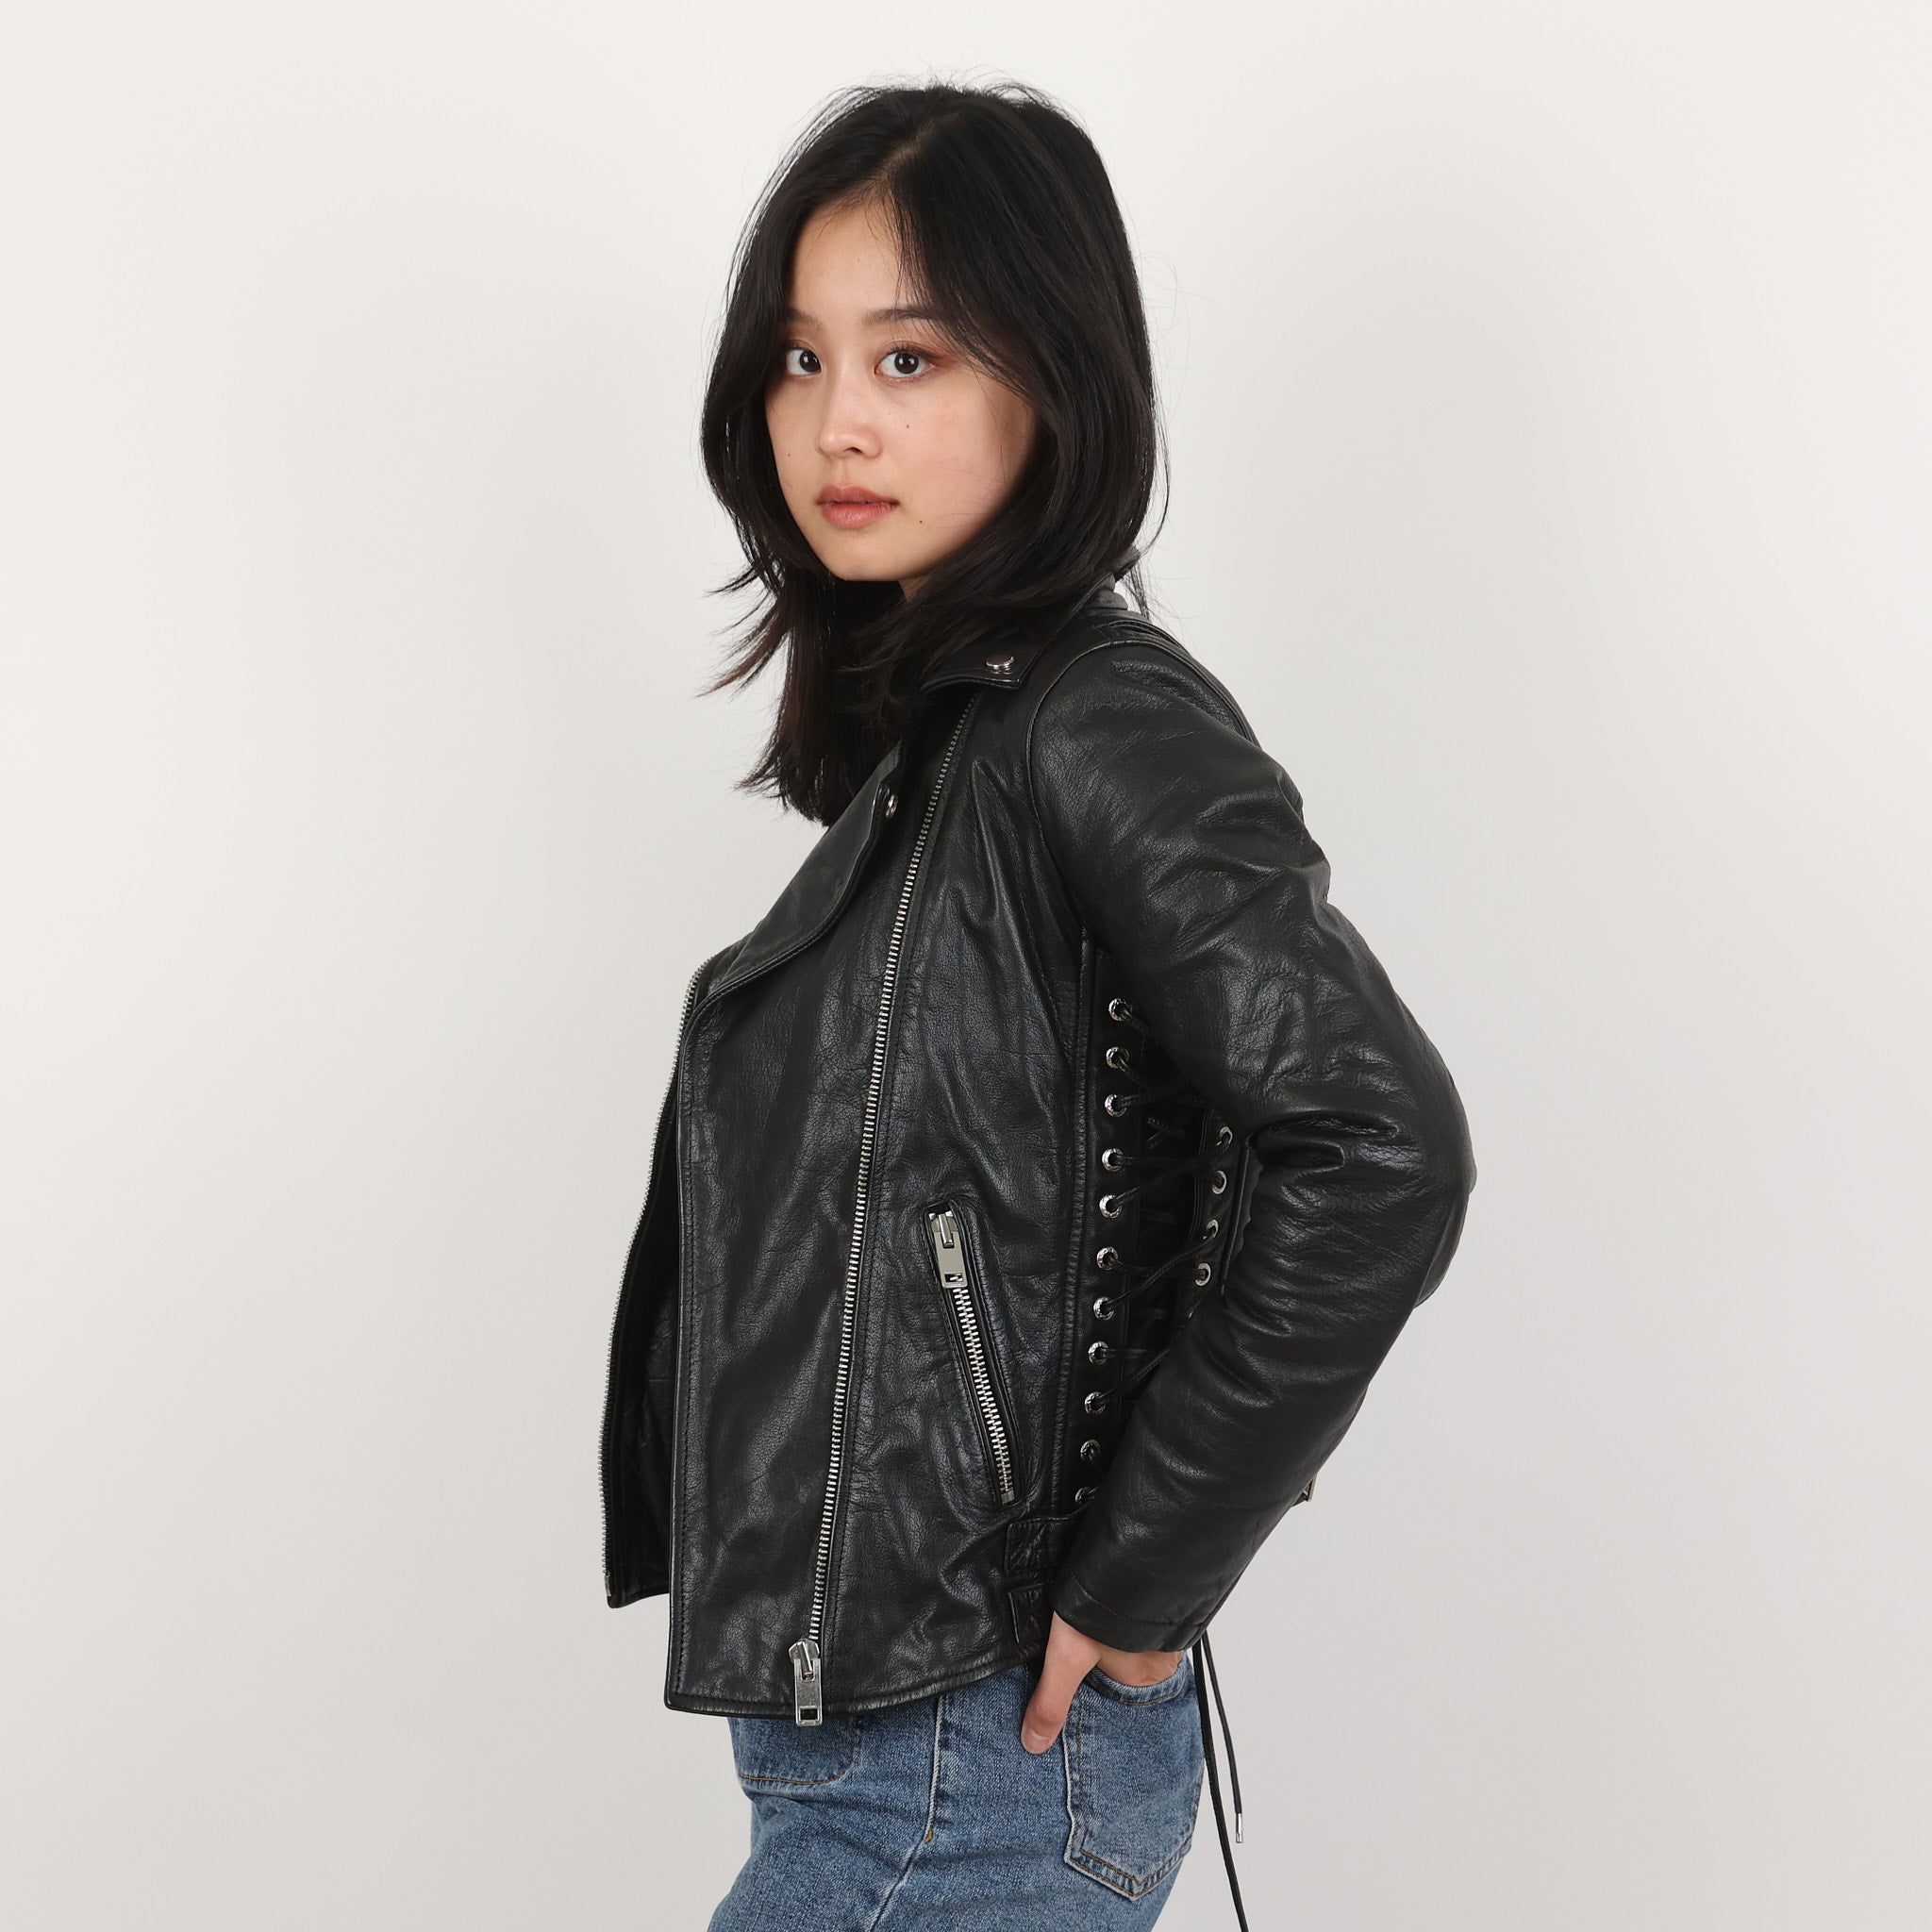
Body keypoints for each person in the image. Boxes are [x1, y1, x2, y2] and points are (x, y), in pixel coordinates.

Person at [600, 79, 1475, 1931]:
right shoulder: (955, 743)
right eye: (801, 356)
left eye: (909, 358)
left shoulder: (1094, 720)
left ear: (1055, 382)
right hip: (909, 1747)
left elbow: (1377, 1142)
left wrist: (1142, 1577)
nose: (836, 420)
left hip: (973, 1759)